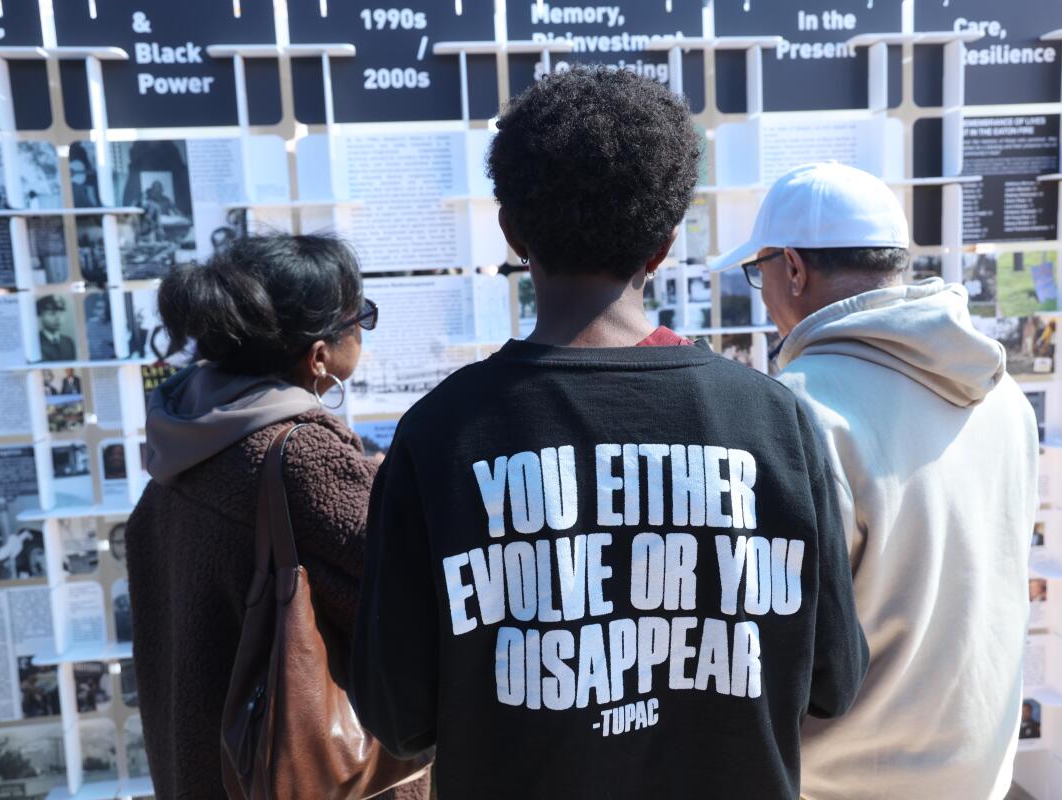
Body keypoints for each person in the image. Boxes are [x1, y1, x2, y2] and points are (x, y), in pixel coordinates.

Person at [351, 68, 868, 800]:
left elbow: (397, 718)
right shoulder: (773, 423)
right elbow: (834, 681)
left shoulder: (439, 436)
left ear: (513, 233)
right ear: (663, 243)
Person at [710, 162, 1039, 800]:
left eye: (759, 273)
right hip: (979, 778)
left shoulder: (801, 413)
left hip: (844, 784)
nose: (764, 292)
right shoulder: (1005, 399)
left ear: (795, 269)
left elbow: (769, 651)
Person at [124, 234, 427, 800]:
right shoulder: (301, 460)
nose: (363, 328)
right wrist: (389, 491)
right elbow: (406, 599)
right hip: (302, 778)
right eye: (360, 315)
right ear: (319, 356)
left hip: (204, 769)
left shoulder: (181, 437)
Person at [37, 295, 77, 362]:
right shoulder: (36, 341)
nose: (58, 318)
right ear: (41, 315)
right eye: (52, 313)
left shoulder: (68, 342)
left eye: (61, 313)